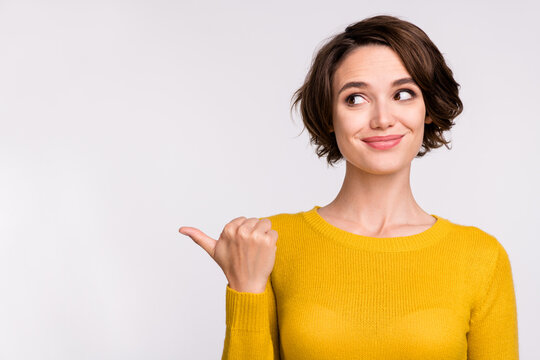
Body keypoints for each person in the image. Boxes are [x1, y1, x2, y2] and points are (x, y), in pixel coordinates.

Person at [179, 14, 519, 360]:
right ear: (329, 115)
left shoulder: (481, 257)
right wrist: (245, 290)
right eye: (356, 98)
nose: (383, 119)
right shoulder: (268, 244)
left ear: (428, 108)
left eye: (403, 94)